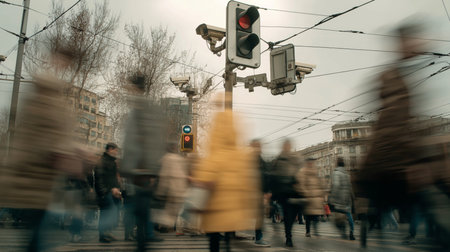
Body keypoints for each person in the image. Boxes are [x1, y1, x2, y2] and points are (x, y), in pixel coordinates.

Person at [0, 46, 76, 251]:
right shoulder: (45, 95)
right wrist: (61, 151)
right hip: (36, 175)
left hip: (43, 178)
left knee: (36, 235)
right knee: (37, 235)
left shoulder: (52, 95)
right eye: (62, 61)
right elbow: (37, 137)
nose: (64, 66)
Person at [192, 93, 259, 252]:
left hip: (215, 205)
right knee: (228, 234)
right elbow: (248, 181)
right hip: (233, 205)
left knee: (214, 238)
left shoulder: (214, 154)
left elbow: (204, 176)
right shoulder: (239, 155)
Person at [120, 73, 166, 251]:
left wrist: (151, 169)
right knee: (140, 212)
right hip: (138, 172)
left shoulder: (144, 108)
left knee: (140, 212)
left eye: (130, 86)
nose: (127, 90)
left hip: (142, 172)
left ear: (136, 87)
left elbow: (150, 140)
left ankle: (142, 243)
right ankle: (142, 241)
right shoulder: (139, 107)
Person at [270, 139, 302, 247]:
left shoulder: (295, 158)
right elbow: (274, 176)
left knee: (293, 215)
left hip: (295, 191)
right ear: (283, 146)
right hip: (284, 192)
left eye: (289, 145)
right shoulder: (279, 159)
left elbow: (300, 172)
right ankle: (289, 237)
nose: (287, 147)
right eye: (285, 145)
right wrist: (273, 193)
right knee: (288, 216)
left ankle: (289, 231)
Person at [154, 142, 189, 234]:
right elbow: (183, 175)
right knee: (174, 210)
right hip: (179, 189)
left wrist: (160, 191)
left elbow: (164, 175)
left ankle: (164, 226)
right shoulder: (180, 159)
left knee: (167, 209)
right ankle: (171, 226)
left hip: (170, 189)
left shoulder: (165, 159)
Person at [94, 142, 121, 243]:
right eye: (115, 150)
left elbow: (113, 178)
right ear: (109, 149)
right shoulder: (102, 161)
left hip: (112, 191)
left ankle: (107, 232)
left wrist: (117, 188)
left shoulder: (112, 162)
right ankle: (103, 235)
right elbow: (99, 178)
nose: (116, 152)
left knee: (112, 212)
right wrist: (105, 191)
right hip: (105, 192)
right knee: (106, 213)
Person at [296, 157, 325, 238]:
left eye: (312, 162)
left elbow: (320, 183)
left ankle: (315, 230)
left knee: (316, 215)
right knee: (308, 216)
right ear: (306, 163)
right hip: (308, 197)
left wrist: (321, 193)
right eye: (310, 162)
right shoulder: (303, 171)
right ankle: (308, 231)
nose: (311, 164)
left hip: (316, 198)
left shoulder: (316, 171)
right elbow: (301, 184)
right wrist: (305, 193)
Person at [328, 157, 355, 240]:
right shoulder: (347, 174)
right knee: (349, 215)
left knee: (336, 217)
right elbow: (350, 187)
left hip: (338, 199)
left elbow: (336, 185)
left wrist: (332, 198)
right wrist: (352, 197)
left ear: (337, 164)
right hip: (347, 199)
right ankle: (351, 232)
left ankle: (342, 231)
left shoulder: (336, 173)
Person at [250, 139, 271, 247]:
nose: (258, 148)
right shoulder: (247, 159)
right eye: (256, 146)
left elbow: (266, 176)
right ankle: (230, 232)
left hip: (259, 192)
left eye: (259, 146)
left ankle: (259, 237)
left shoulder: (262, 160)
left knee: (259, 216)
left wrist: (267, 191)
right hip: (248, 191)